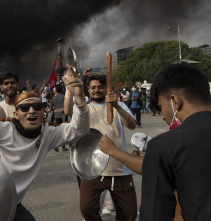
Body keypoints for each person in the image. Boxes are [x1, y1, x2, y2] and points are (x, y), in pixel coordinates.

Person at [0, 65, 89, 220]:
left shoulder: (48, 132)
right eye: (25, 108)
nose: (31, 111)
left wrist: (80, 97)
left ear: (43, 111)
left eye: (37, 106)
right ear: (16, 114)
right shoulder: (3, 126)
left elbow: (79, 129)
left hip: (13, 203)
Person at [140, 63, 211, 221]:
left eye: (161, 107)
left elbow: (155, 214)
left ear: (175, 101)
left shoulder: (163, 146)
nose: (163, 116)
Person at [65, 74, 137, 221]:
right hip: (91, 168)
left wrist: (116, 105)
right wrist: (69, 89)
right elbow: (67, 111)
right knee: (87, 209)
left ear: (106, 88)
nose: (96, 90)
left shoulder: (119, 105)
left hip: (119, 168)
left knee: (129, 213)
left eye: (100, 87)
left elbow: (132, 125)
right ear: (88, 90)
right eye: (93, 88)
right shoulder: (83, 108)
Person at [51, 84, 68, 151]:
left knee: (58, 131)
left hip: (56, 116)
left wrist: (55, 110)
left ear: (56, 90)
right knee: (64, 131)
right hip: (64, 115)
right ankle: (63, 147)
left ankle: (56, 144)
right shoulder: (64, 96)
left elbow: (51, 107)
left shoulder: (53, 98)